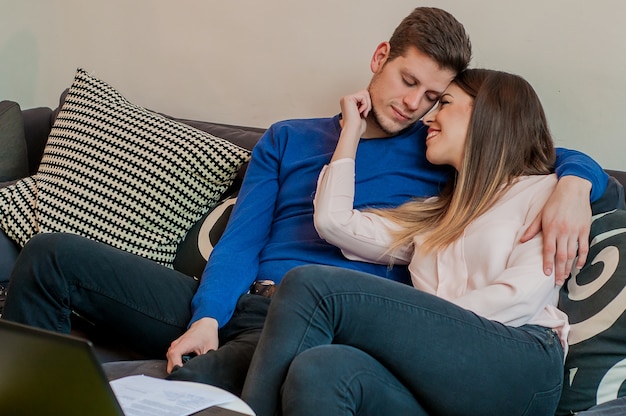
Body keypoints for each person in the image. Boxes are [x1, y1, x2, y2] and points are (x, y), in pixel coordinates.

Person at [0, 7, 607, 397]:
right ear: (380, 59)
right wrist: (207, 314)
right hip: (238, 299)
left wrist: (577, 183)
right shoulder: (290, 138)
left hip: (316, 323)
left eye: (433, 97)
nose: (415, 105)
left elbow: (528, 152)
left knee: (192, 385)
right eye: (407, 80)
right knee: (51, 257)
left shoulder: (441, 156)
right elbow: (243, 237)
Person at [241, 68, 570, 416]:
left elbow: (519, 299)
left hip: (522, 365)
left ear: (488, 114)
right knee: (324, 369)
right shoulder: (436, 217)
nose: (429, 117)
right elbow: (334, 223)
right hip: (443, 369)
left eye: (443, 103)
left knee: (311, 284)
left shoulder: (546, 192)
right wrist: (352, 132)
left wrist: (414, 326)